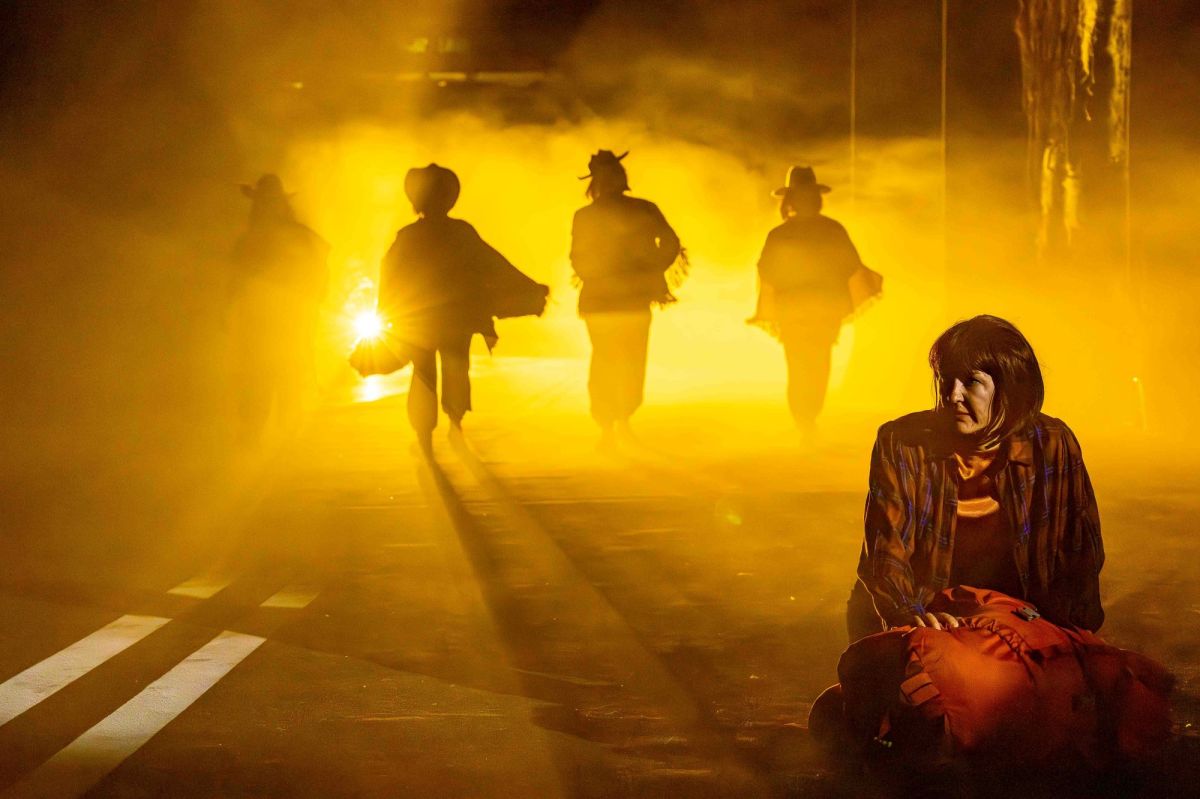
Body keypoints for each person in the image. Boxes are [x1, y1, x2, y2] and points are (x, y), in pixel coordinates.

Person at [848, 315, 1104, 641]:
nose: (952, 395)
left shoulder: (1051, 443)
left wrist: (1066, 633)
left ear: (1010, 388)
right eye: (945, 379)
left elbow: (1082, 551)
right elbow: (886, 554)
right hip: (923, 616)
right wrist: (909, 613)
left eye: (971, 382)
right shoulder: (902, 442)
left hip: (1022, 619)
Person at [378, 163, 547, 452]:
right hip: (456, 317)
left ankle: (424, 433)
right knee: (456, 367)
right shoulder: (461, 231)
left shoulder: (408, 235)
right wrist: (529, 288)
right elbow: (493, 265)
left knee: (423, 373)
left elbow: (390, 276)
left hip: (420, 319)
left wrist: (385, 311)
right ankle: (454, 422)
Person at [569, 150, 681, 449]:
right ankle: (614, 422)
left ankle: (614, 422)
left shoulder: (590, 215)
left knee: (612, 359)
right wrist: (648, 270)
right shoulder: (641, 210)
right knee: (625, 359)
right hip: (624, 300)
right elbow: (579, 258)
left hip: (610, 301)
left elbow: (577, 259)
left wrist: (646, 269)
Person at [750, 166, 863, 439]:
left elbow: (767, 270)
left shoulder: (780, 234)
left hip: (798, 309)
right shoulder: (830, 229)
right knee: (815, 362)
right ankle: (806, 417)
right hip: (821, 308)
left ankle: (805, 418)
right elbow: (851, 265)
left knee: (802, 363)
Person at [230, 173, 329, 442]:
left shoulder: (253, 241)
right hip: (274, 323)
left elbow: (234, 284)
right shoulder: (293, 237)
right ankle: (266, 449)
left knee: (269, 384)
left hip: (276, 323)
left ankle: (267, 449)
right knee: (273, 384)